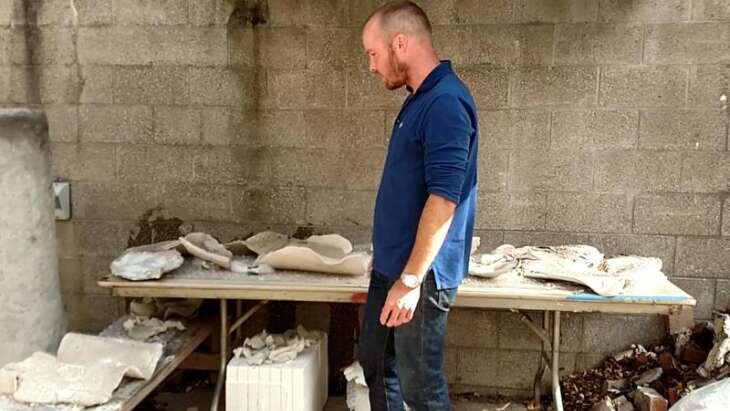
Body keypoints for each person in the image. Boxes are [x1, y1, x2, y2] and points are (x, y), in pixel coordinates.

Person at [358, 1, 479, 410]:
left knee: (420, 391)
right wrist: (387, 256)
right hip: (394, 266)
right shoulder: (420, 98)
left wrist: (410, 280)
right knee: (377, 365)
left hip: (421, 276)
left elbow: (443, 201)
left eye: (373, 54)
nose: (371, 66)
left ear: (400, 43)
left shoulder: (445, 103)